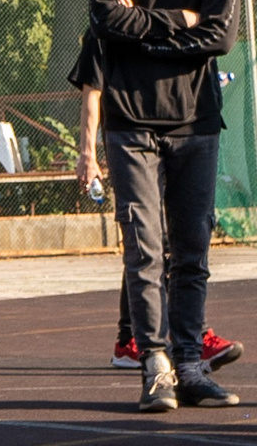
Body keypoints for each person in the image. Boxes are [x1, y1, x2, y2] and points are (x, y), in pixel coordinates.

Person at [89, 0, 241, 415]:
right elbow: (106, 19)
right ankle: (155, 368)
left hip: (196, 122)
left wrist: (143, 29)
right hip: (130, 124)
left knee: (193, 250)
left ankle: (192, 365)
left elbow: (220, 37)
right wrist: (179, 20)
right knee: (145, 253)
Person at [73, 29, 244, 374]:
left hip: (184, 134)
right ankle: (138, 339)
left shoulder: (182, 18)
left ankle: (170, 336)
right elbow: (92, 92)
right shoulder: (106, 31)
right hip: (135, 138)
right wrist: (88, 154)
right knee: (149, 242)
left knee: (173, 244)